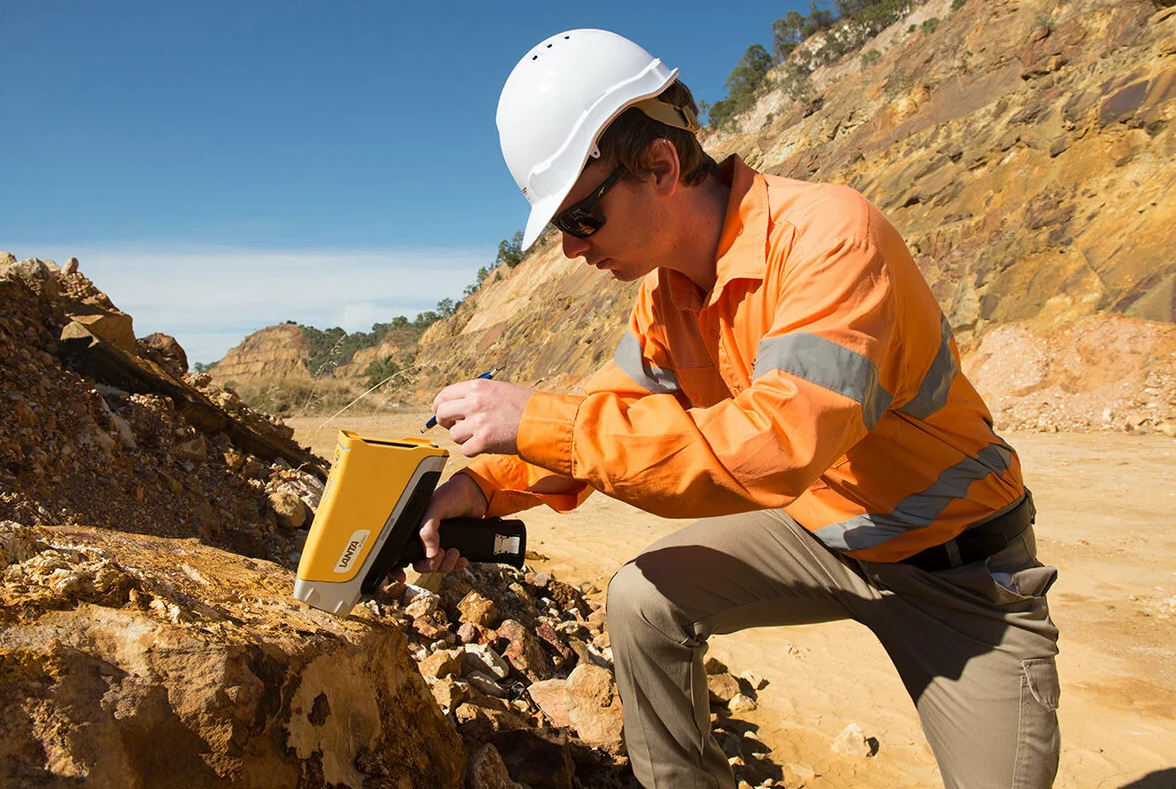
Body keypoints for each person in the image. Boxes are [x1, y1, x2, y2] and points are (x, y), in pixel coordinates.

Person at [415, 29, 1061, 789]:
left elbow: (776, 447)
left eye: (580, 217)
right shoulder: (666, 295)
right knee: (642, 601)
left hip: (963, 572)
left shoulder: (831, 239)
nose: (571, 248)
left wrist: (537, 419)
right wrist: (483, 487)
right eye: (560, 226)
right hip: (826, 537)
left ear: (659, 166)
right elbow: (608, 412)